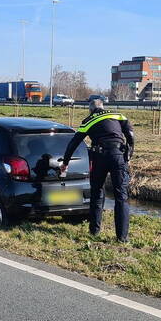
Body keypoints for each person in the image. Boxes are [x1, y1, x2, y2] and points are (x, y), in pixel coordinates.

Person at [59, 98, 135, 242]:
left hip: (99, 157)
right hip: (118, 156)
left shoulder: (89, 120)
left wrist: (65, 162)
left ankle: (94, 231)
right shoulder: (118, 115)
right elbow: (130, 135)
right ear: (103, 106)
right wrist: (129, 154)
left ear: (91, 109)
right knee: (121, 197)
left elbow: (73, 143)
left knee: (97, 193)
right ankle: (122, 238)